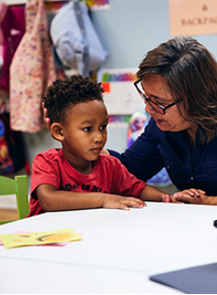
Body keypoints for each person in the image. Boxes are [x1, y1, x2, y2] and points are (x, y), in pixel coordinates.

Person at [45, 36, 217, 206]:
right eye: (146, 96)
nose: (147, 108)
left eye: (158, 101)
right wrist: (77, 138)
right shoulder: (164, 125)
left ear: (197, 98)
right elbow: (123, 171)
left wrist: (208, 202)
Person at [29, 75, 172, 216]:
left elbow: (139, 190)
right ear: (59, 132)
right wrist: (103, 199)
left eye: (103, 127)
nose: (99, 137)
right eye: (87, 129)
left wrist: (169, 199)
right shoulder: (47, 162)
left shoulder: (110, 166)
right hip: (47, 235)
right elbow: (48, 200)